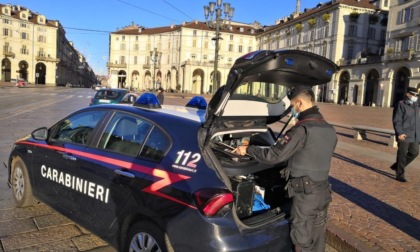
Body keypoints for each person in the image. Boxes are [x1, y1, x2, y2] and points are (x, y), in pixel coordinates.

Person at [235, 86, 337, 252]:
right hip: (323, 193)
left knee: (302, 239)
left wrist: (248, 149)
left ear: (299, 103)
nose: (292, 110)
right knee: (317, 238)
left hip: (305, 196)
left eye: (292, 106)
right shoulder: (329, 129)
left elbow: (274, 155)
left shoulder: (301, 130)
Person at [391, 86, 420, 182]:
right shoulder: (401, 104)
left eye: (417, 95)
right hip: (404, 134)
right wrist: (399, 132)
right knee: (402, 154)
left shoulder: (417, 105)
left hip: (415, 134)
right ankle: (400, 174)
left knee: (414, 152)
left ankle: (397, 165)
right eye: (413, 94)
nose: (415, 96)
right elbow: (397, 120)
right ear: (408, 94)